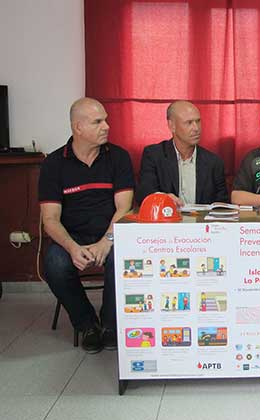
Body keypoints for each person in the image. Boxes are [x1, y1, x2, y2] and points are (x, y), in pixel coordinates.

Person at [39, 97, 134, 353]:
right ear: (78, 127)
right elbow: (50, 219)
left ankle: (111, 324)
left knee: (123, 259)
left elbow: (124, 208)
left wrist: (107, 241)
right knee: (55, 265)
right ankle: (87, 324)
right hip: (72, 237)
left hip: (111, 233)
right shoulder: (54, 164)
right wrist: (72, 248)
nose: (107, 126)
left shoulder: (118, 157)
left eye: (106, 120)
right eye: (98, 122)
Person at [136, 100, 228, 207]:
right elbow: (144, 193)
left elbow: (222, 203)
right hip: (167, 216)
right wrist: (163, 199)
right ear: (172, 126)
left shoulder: (214, 162)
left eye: (198, 121)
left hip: (203, 218)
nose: (196, 128)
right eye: (189, 123)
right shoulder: (154, 155)